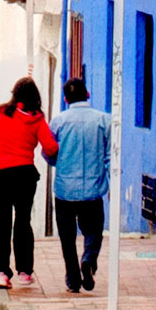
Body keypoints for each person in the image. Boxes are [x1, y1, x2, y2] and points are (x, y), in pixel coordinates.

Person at [0, 78, 56, 289]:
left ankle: (2, 272)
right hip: (24, 175)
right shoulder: (37, 119)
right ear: (35, 97)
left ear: (14, 94)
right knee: (22, 222)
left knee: (0, 225)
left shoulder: (0, 112)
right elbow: (51, 147)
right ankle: (25, 272)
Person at [49, 78, 114, 294]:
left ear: (66, 98)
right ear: (88, 94)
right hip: (93, 189)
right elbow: (110, 155)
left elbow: (48, 153)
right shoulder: (104, 121)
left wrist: (60, 160)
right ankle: (88, 260)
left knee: (67, 237)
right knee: (94, 231)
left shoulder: (58, 122)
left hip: (65, 189)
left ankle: (73, 279)